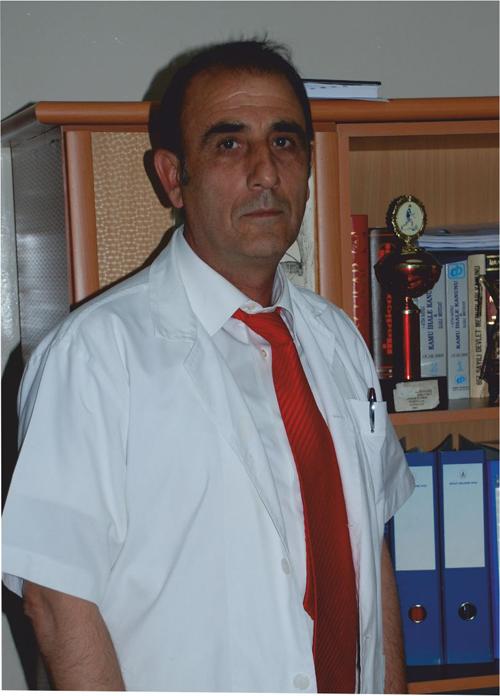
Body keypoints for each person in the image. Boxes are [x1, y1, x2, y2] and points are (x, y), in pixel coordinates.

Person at [2, 39, 414, 693]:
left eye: (285, 142)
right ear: (173, 177)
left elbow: (371, 552)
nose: (265, 172)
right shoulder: (95, 356)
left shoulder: (338, 339)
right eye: (229, 144)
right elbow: (56, 603)